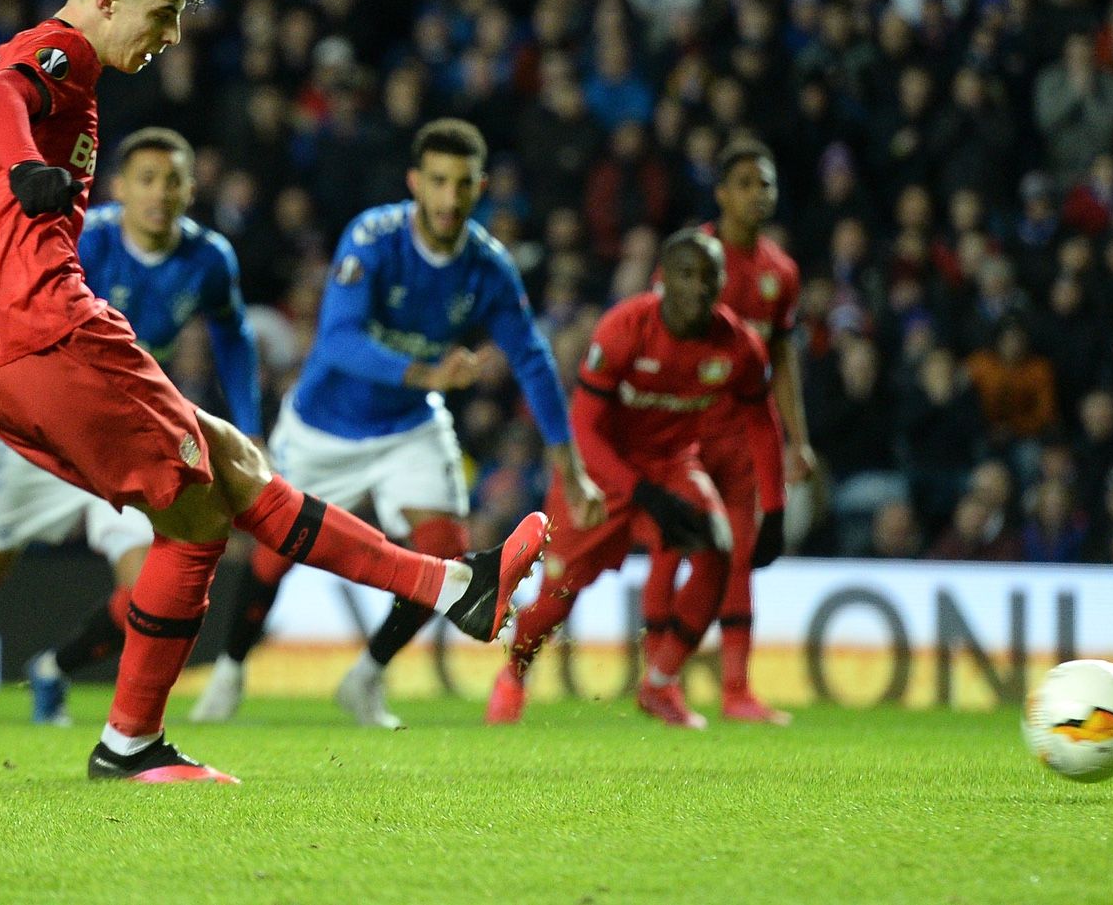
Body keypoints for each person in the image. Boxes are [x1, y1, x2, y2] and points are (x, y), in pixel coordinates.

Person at [0, 0, 545, 785]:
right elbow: (8, 105)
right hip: (47, 327)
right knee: (195, 519)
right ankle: (131, 744)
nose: (169, 37)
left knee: (231, 459)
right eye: (162, 16)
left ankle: (454, 586)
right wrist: (18, 172)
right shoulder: (57, 56)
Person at [190, 118, 605, 729]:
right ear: (415, 182)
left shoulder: (488, 266)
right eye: (437, 181)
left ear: (480, 187)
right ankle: (229, 671)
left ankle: (366, 677)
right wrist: (427, 373)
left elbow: (532, 358)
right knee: (275, 557)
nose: (449, 198)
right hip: (324, 426)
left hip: (410, 427)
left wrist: (568, 466)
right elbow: (336, 342)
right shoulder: (374, 238)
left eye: (462, 184)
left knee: (447, 555)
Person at [0, 127, 263, 726]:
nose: (160, 194)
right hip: (51, 427)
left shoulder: (210, 258)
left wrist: (250, 423)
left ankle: (54, 670)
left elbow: (232, 334)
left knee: (149, 584)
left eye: (173, 180)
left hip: (127, 435)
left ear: (192, 188)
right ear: (119, 188)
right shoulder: (82, 234)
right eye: (146, 180)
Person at [486, 229, 784, 728]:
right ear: (664, 280)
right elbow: (584, 426)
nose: (698, 288)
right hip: (600, 471)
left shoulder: (739, 346)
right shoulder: (625, 328)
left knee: (718, 547)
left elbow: (763, 420)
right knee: (558, 597)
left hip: (672, 465)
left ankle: (661, 684)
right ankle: (514, 674)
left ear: (722, 284)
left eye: (709, 278)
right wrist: (639, 490)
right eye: (686, 275)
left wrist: (773, 507)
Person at [636, 139, 811, 725]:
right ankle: (658, 679)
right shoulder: (691, 262)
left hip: (739, 438)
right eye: (745, 183)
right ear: (720, 193)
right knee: (670, 552)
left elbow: (780, 360)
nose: (757, 195)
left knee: (737, 557)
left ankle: (736, 691)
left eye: (766, 183)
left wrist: (798, 438)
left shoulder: (780, 273)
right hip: (681, 435)